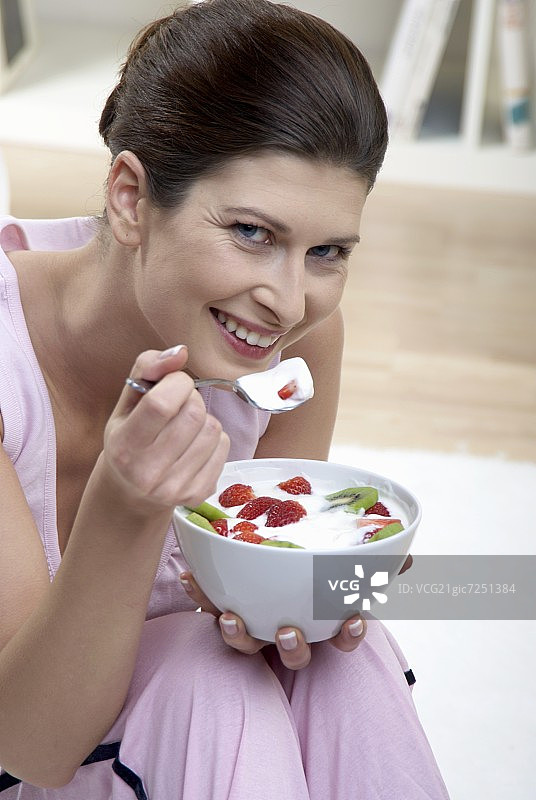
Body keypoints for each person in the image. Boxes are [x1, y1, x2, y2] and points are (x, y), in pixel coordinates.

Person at [0, 1, 450, 797]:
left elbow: (257, 598)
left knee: (344, 664)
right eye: (251, 232)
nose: (286, 301)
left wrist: (321, 590)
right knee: (201, 679)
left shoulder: (301, 339)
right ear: (132, 198)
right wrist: (127, 504)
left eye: (326, 252)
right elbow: (30, 746)